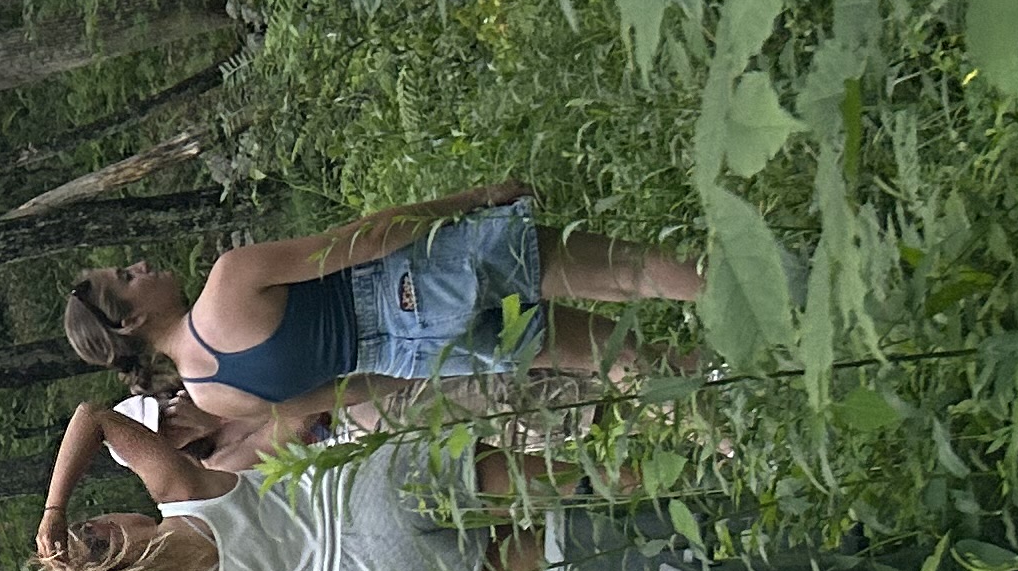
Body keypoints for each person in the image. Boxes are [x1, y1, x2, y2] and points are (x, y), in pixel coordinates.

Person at [63, 187, 703, 466]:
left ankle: (721, 408)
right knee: (631, 270)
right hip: (409, 282)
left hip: (414, 357)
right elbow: (364, 240)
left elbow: (346, 392)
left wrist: (420, 364)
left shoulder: (213, 396)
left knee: (601, 356)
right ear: (136, 317)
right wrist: (473, 201)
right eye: (127, 275)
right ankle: (760, 297)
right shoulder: (229, 281)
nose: (140, 265)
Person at [33, 399, 535, 571]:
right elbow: (93, 417)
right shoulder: (181, 489)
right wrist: (54, 509)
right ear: (102, 526)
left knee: (563, 553)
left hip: (381, 569)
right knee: (570, 482)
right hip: (370, 489)